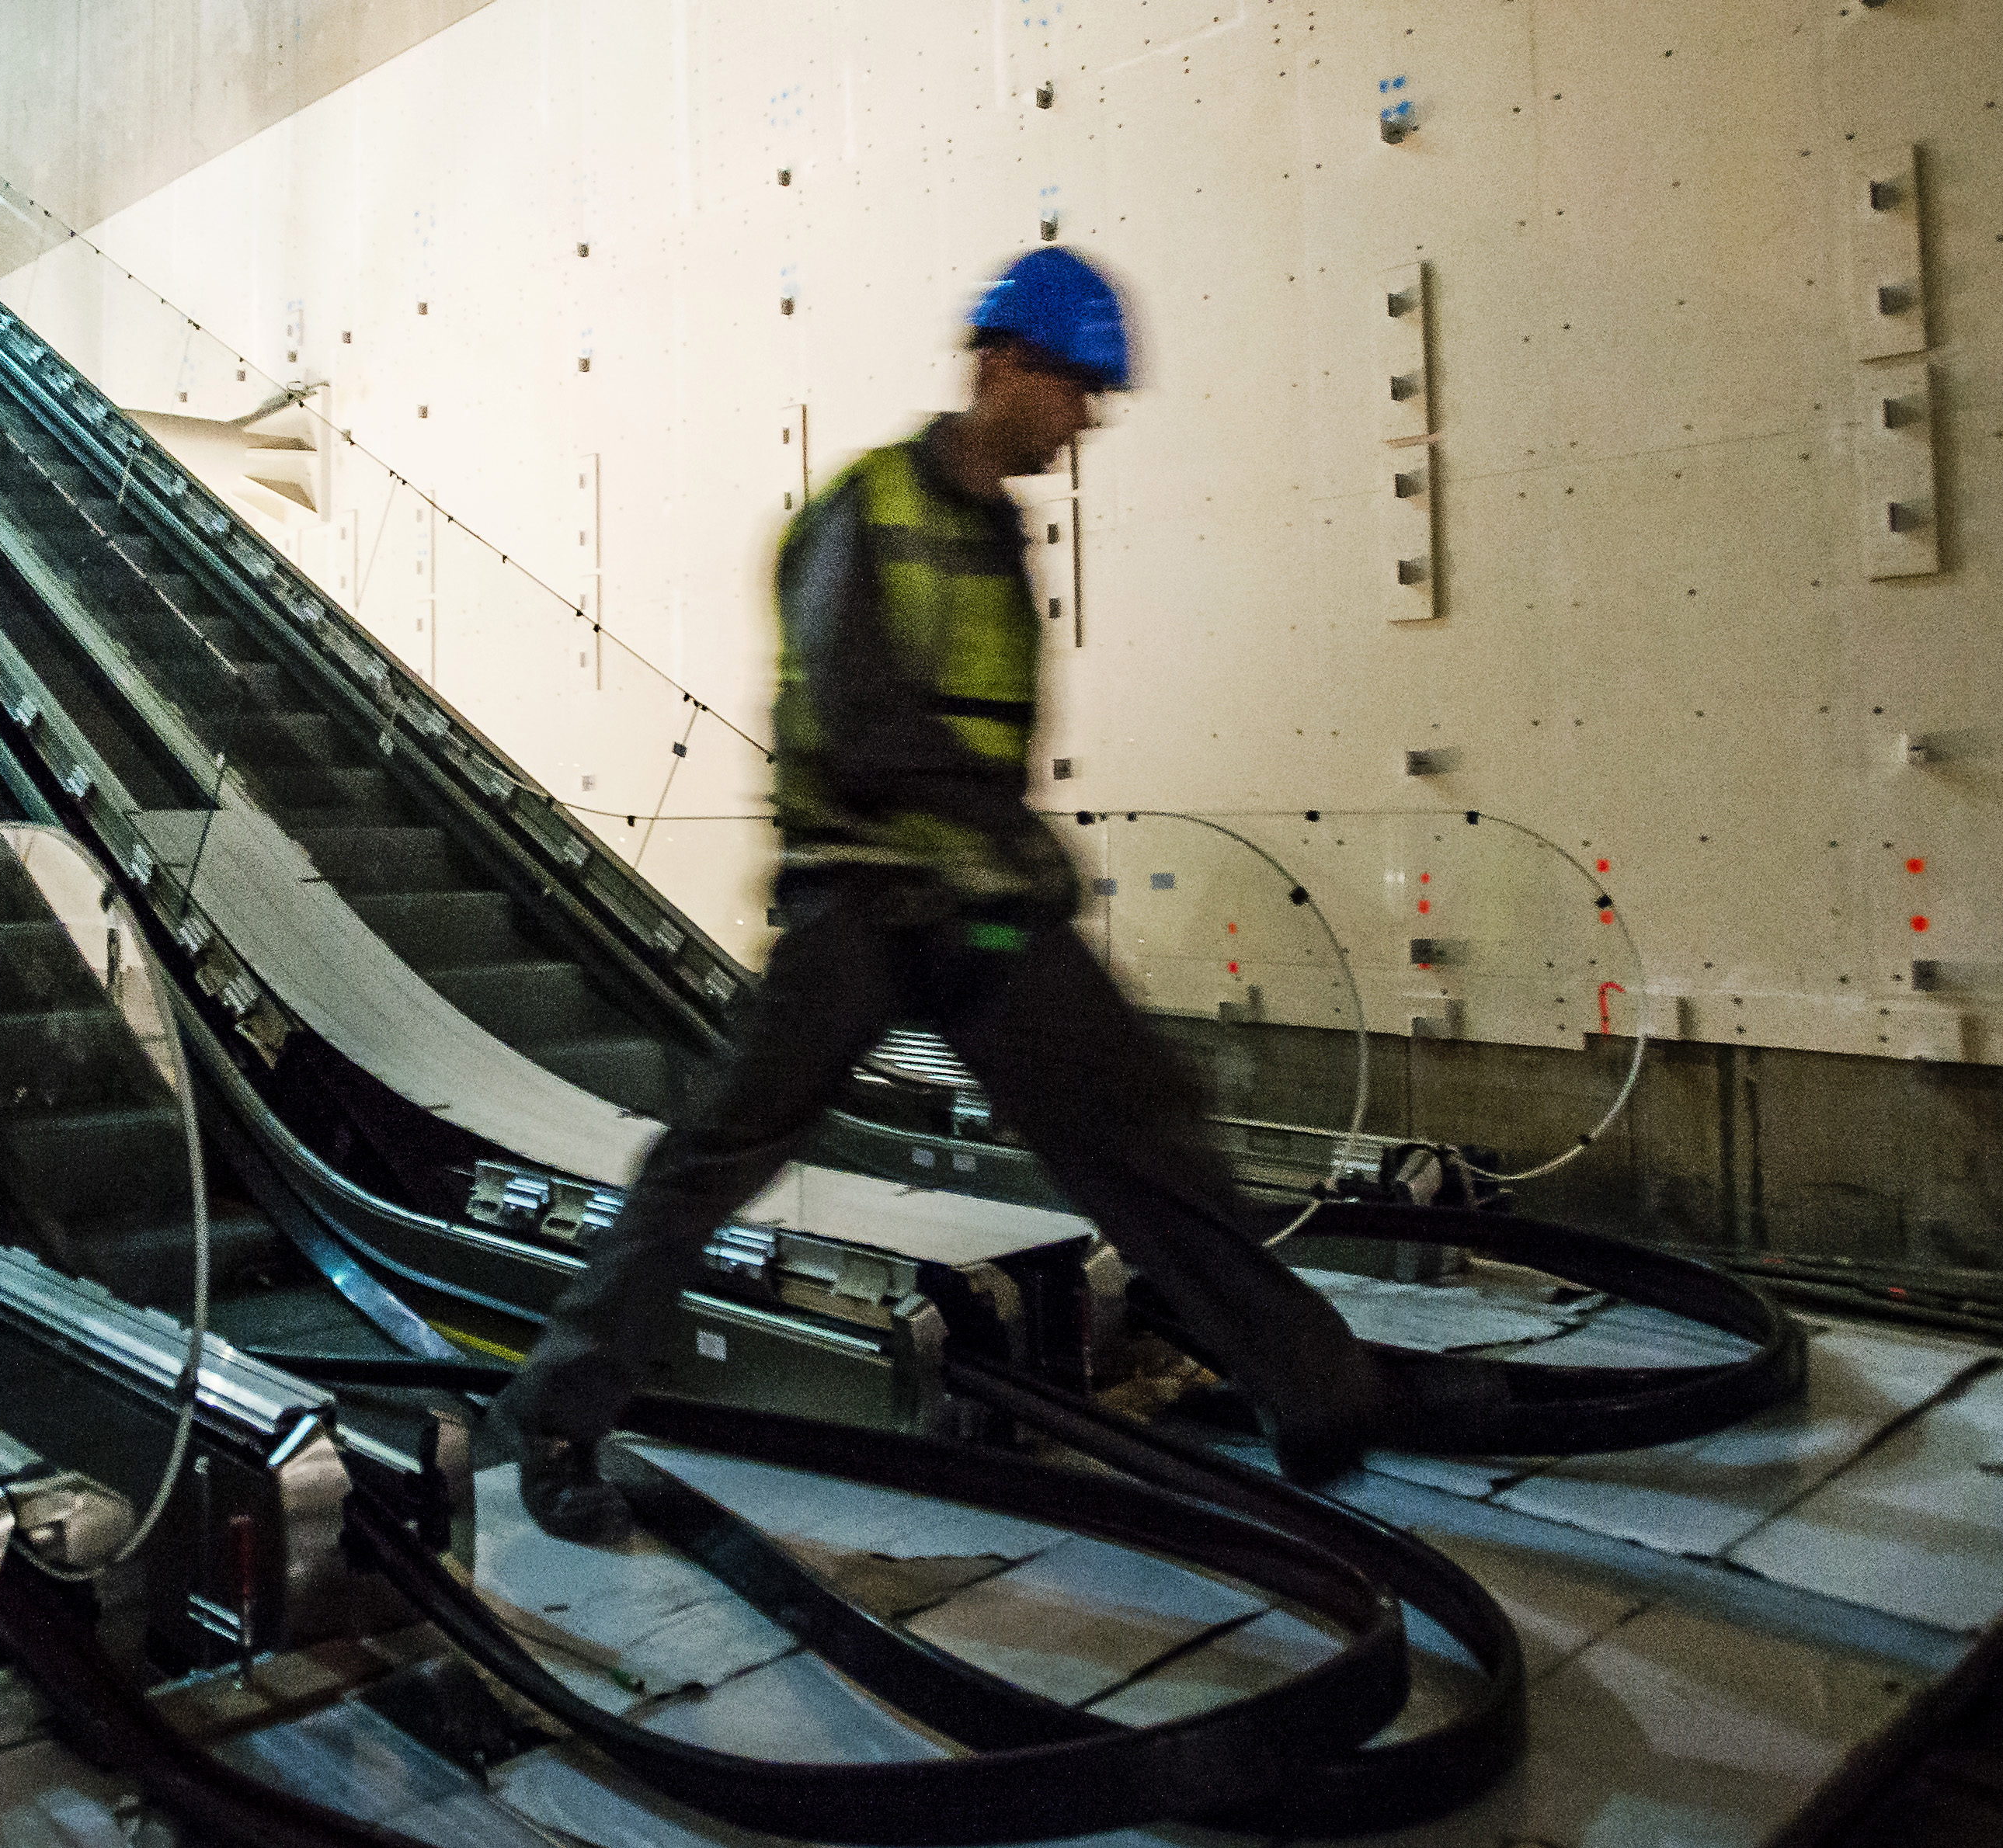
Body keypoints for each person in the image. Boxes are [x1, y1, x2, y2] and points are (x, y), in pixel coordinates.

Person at [490, 247, 1390, 1543]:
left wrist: (1006, 852)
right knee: (713, 1162)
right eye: (1074, 392)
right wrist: (1001, 831)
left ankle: (1319, 1395)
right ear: (1003, 366)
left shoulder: (992, 527)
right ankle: (557, 1421)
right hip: (857, 908)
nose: (1082, 425)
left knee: (1141, 1121)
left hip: (975, 909)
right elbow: (860, 723)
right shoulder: (866, 510)